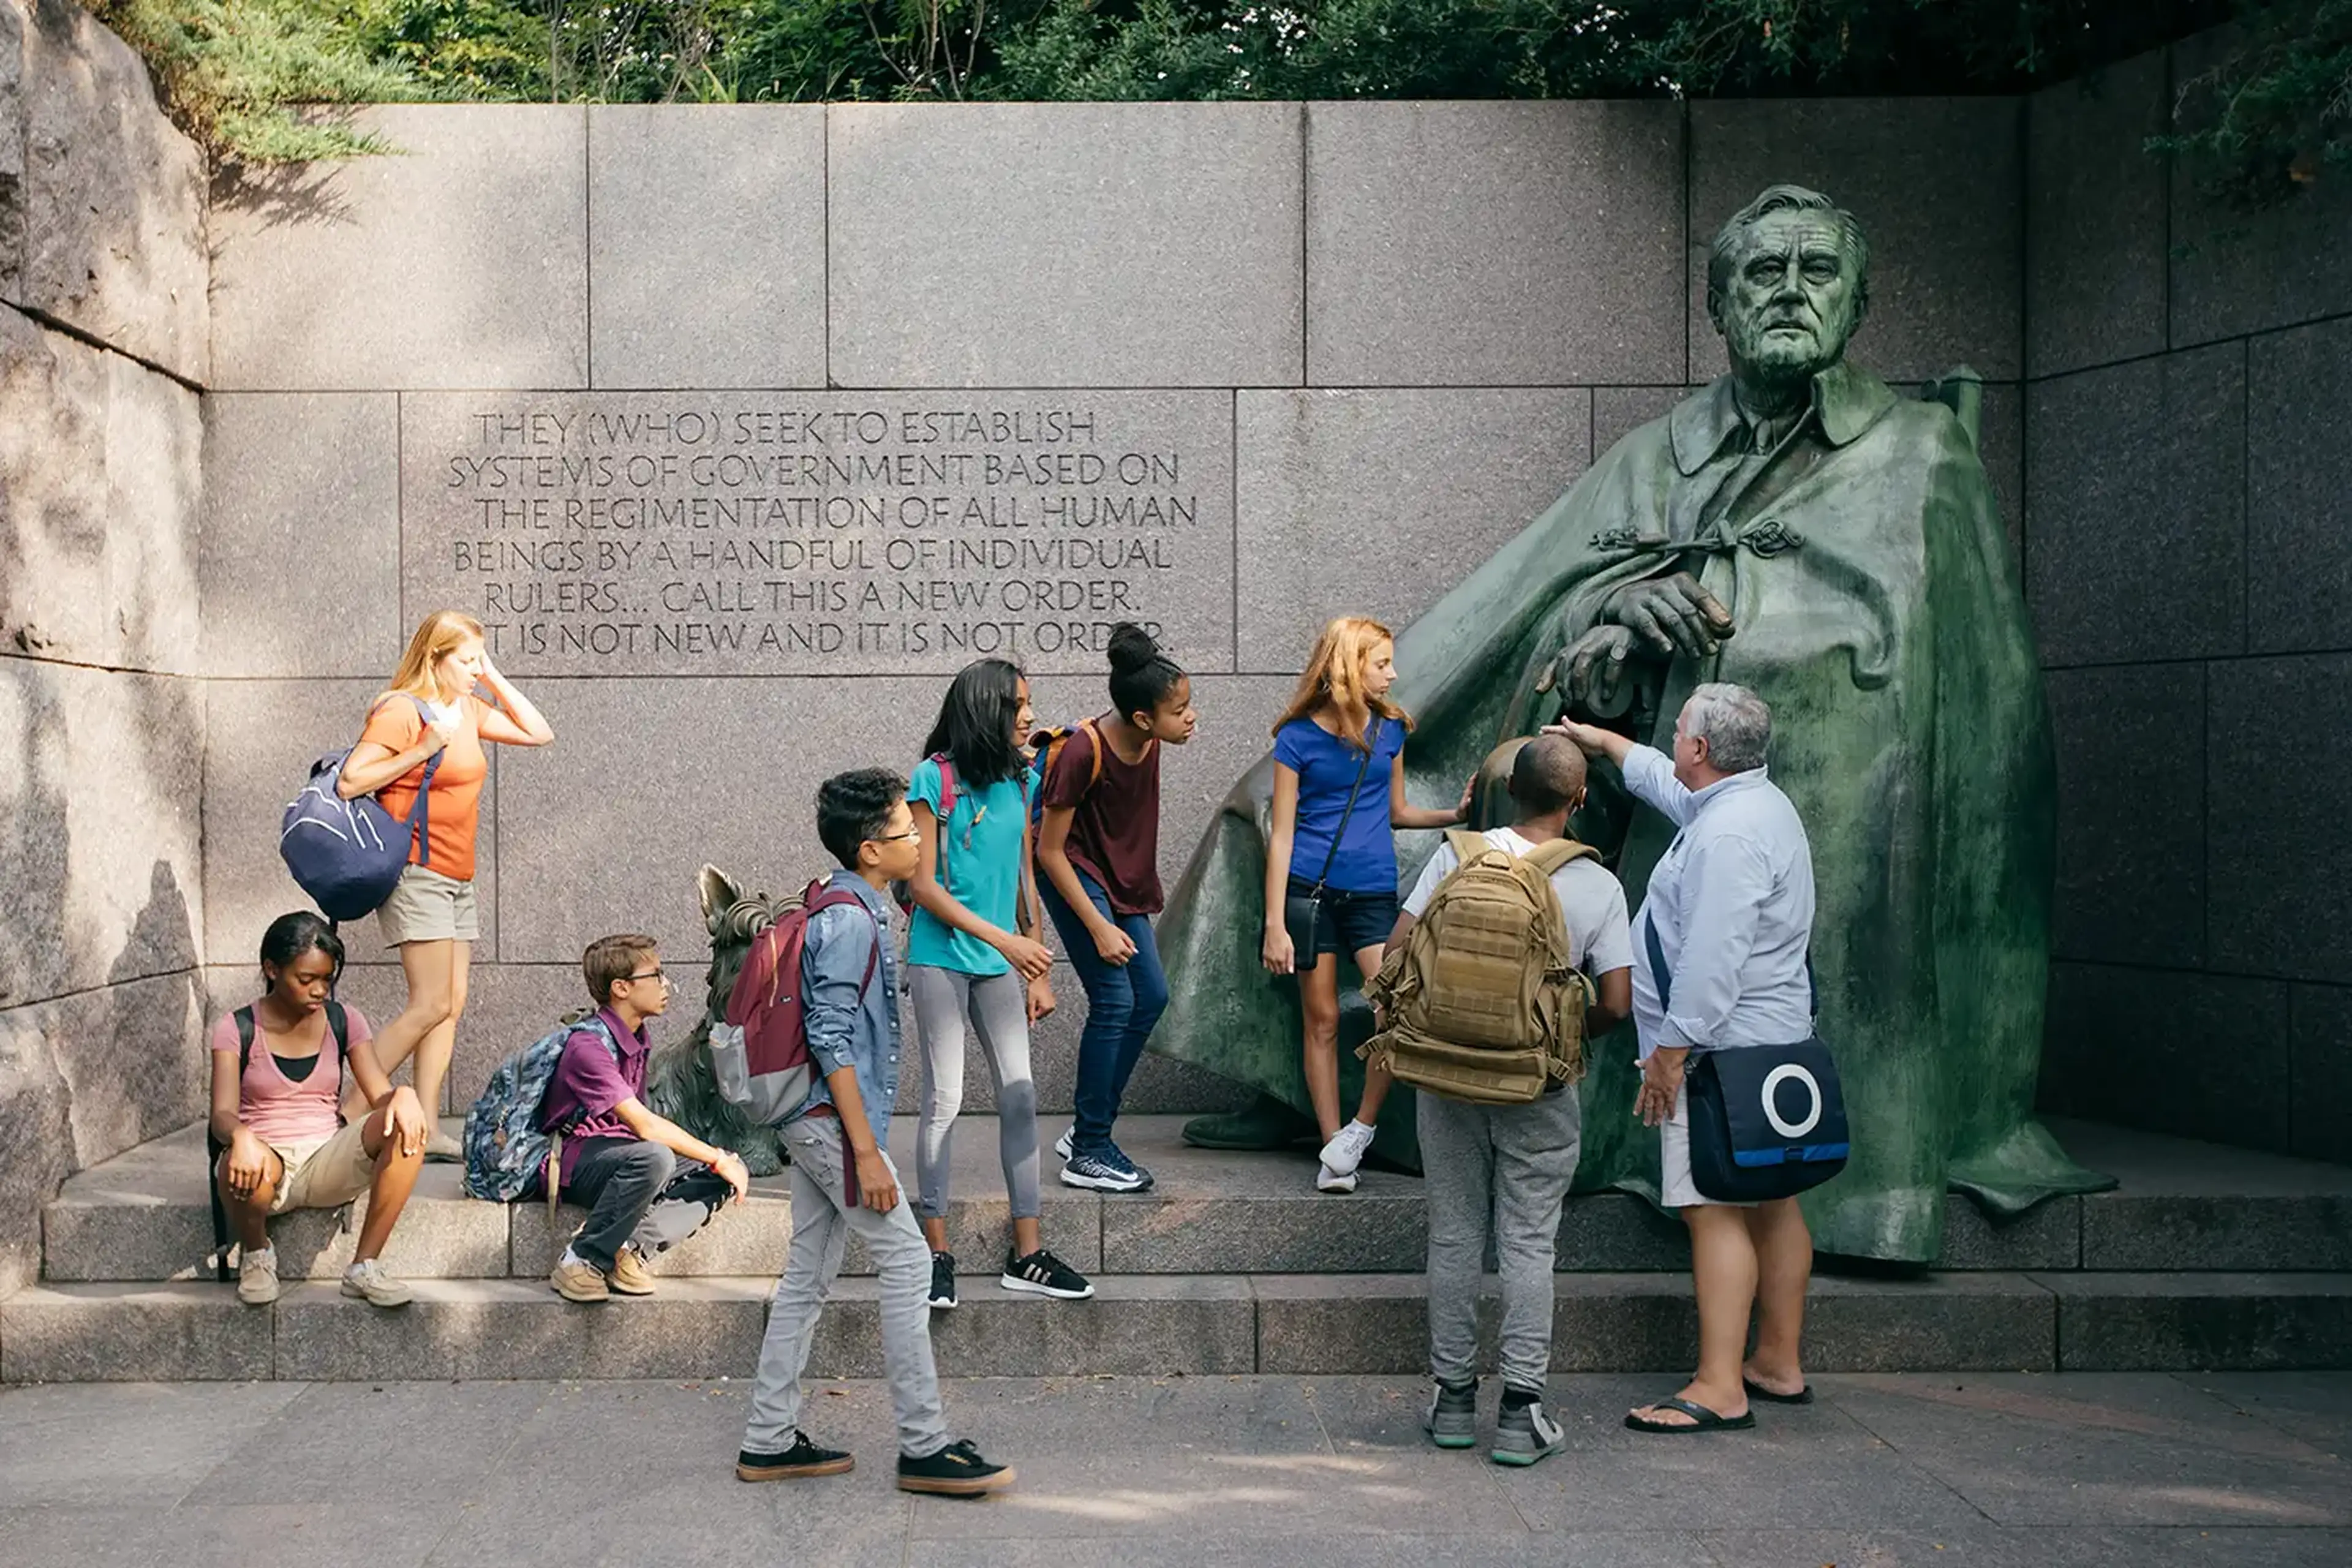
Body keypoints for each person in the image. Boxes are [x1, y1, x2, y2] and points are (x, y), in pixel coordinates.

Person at [1149, 185, 2108, 1261]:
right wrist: (1606, 620)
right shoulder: (1657, 455)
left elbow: (1990, 724)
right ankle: (1304, 1080)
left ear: (1860, 299)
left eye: (1817, 271)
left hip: (1831, 811)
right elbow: (1540, 605)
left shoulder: (1923, 455)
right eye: (1763, 272)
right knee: (1258, 811)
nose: (1791, 292)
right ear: (1718, 302)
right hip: (1628, 763)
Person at [738, 769, 1014, 1497]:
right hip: (832, 1125)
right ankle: (924, 1445)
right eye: (905, 830)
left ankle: (768, 1439)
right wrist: (867, 1151)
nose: (919, 837)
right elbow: (829, 1037)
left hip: (817, 1120)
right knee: (909, 1261)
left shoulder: (843, 904)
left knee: (807, 1273)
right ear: (869, 850)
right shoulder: (853, 921)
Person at [1552, 685, 1817, 1434]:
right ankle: (1777, 1362)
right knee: (1774, 1197)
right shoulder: (1748, 802)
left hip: (1718, 1048)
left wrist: (1671, 1053)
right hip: (1766, 1038)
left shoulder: (1727, 836)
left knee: (1712, 1203)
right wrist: (1610, 746)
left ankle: (1719, 1385)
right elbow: (1675, 790)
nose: (1672, 739)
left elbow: (1711, 958)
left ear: (1701, 749)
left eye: (1678, 732)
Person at [1393, 735, 1633, 1465]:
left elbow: (1400, 953)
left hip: (1447, 1077)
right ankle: (1523, 1412)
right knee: (1529, 1240)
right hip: (1540, 1085)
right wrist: (1560, 1033)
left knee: (1456, 1233)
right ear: (1578, 798)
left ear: (1510, 792)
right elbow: (1618, 1004)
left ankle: (1454, 1399)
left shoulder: (1456, 857)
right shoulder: (1597, 884)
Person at [905, 658, 1094, 1309]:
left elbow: (1023, 876)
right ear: (985, 708)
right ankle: (934, 1251)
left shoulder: (1022, 777)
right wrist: (1006, 942)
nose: (1029, 715)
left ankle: (1029, 1253)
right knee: (946, 1100)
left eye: (1030, 702)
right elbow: (922, 885)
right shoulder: (934, 779)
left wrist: (1034, 959)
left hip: (998, 963)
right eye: (1017, 703)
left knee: (1020, 1097)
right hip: (940, 959)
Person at [1261, 617, 1470, 1194]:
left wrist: (1454, 815)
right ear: (1350, 667)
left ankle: (1360, 1128)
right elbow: (1281, 834)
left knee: (1394, 1012)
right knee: (1322, 1017)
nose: (1393, 673)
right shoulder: (1297, 738)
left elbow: (1398, 811)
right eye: (1381, 663)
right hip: (1311, 891)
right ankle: (1333, 1152)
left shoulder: (1391, 730)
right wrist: (1274, 923)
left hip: (1374, 892)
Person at [336, 610, 554, 1159]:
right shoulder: (400, 711)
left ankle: (427, 1125)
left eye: (480, 657)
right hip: (417, 871)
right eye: (466, 659)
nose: (475, 669)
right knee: (429, 1002)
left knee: (451, 1003)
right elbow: (350, 781)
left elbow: (539, 732)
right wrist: (423, 747)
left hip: (459, 875)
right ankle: (345, 1109)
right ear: (434, 658)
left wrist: (494, 676)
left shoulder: (467, 708)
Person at [1033, 624, 1197, 1194]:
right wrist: (1099, 925)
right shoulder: (1084, 750)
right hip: (1073, 874)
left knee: (1151, 995)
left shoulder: (1151, 740)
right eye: (1180, 710)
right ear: (1143, 718)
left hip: (1119, 878)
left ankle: (1087, 1126)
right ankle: (1091, 1150)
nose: (1191, 717)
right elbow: (1049, 851)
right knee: (1115, 997)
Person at [209, 911, 430, 1308]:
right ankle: (257, 1254)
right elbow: (221, 1114)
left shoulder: (344, 1020)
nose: (319, 991)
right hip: (265, 1161)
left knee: (406, 1125)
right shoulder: (236, 1027)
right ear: (272, 969)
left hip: (328, 1157)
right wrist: (241, 1136)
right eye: (306, 980)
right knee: (236, 1159)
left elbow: (380, 1093)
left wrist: (403, 1096)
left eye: (326, 979)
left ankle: (365, 1266)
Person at [541, 934, 750, 1303]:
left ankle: (630, 1251)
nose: (666, 984)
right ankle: (580, 1259)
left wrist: (720, 1160)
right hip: (571, 1157)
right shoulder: (587, 1046)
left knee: (716, 1172)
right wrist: (714, 1154)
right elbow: (646, 1126)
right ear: (621, 988)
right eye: (656, 975)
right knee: (657, 1156)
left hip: (618, 1150)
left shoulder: (635, 1035)